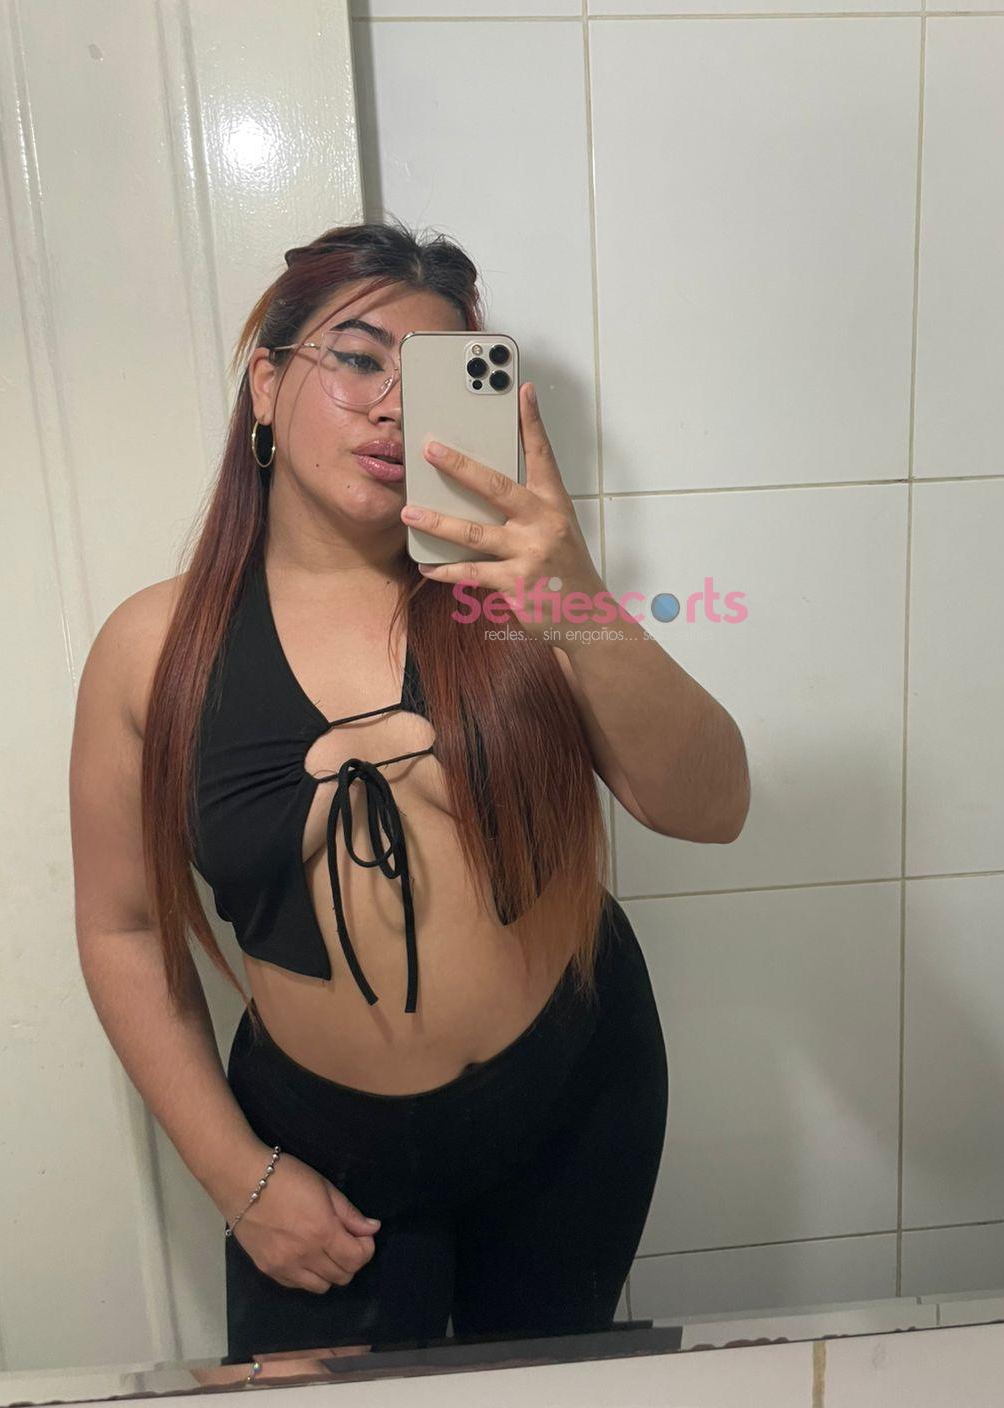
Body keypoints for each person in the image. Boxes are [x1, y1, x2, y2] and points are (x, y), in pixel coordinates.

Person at [68, 220, 750, 1363]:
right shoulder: (154, 648)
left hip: (570, 1098)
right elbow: (124, 930)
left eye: (427, 379)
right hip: (318, 1147)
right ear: (268, 385)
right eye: (357, 359)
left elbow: (711, 805)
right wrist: (238, 1178)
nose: (391, 408)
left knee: (549, 1387)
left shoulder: (516, 606)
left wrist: (573, 596)